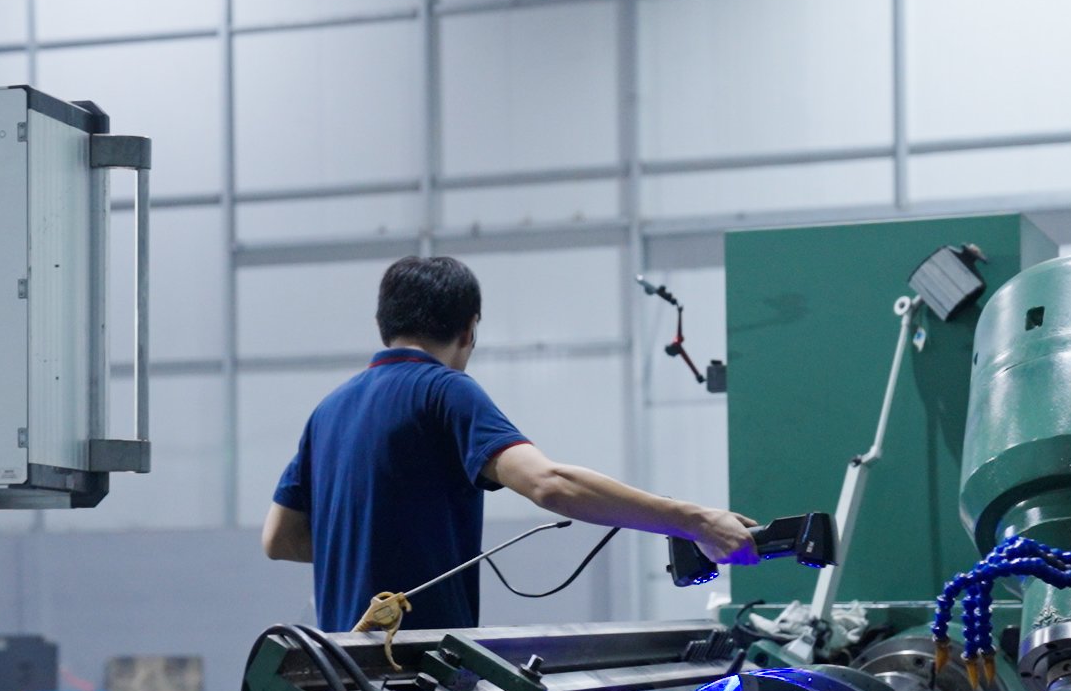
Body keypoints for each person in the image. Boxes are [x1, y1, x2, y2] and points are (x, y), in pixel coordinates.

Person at [262, 255, 760, 633]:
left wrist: (372, 548)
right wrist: (695, 520)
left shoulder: (327, 411)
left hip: (338, 678)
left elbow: (279, 539)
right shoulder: (444, 391)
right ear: (469, 329)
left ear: (384, 323)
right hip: (415, 681)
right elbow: (549, 484)